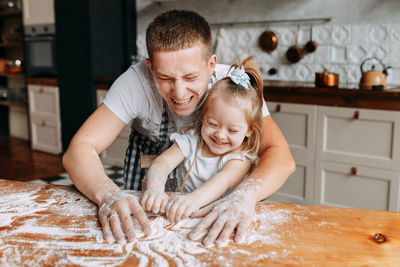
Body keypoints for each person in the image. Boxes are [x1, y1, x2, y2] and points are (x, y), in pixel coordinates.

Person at [62, 9, 295, 246]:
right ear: (150, 68)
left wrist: (244, 197)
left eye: (191, 77)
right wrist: (108, 195)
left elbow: (280, 156)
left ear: (211, 64)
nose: (179, 92)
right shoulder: (134, 83)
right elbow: (79, 149)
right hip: (153, 181)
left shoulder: (235, 88)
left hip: (217, 201)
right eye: (165, 78)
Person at [141, 57, 264, 224]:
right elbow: (162, 163)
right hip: (186, 215)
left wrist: (194, 200)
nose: (220, 135)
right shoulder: (192, 140)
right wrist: (154, 188)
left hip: (222, 219)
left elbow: (222, 181)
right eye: (212, 124)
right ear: (202, 118)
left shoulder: (240, 158)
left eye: (232, 130)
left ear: (249, 130)